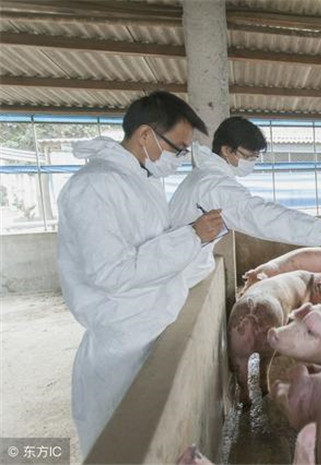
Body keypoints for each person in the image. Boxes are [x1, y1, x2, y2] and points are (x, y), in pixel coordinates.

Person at [57, 91, 224, 457]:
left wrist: (198, 240)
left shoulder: (142, 181)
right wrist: (192, 236)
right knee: (117, 446)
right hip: (120, 343)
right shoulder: (93, 186)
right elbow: (111, 272)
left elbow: (157, 250)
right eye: (178, 149)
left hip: (149, 328)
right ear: (146, 135)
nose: (180, 159)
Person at [169, 116, 321, 285]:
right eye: (248, 156)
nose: (252, 161)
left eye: (256, 156)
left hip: (183, 266)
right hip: (179, 273)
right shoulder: (216, 185)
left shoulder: (206, 175)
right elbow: (264, 217)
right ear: (226, 150)